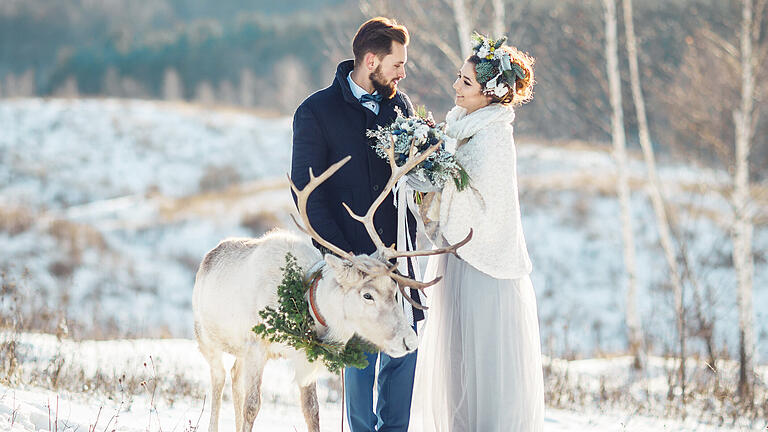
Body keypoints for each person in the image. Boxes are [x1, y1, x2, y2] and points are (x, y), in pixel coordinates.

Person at [290, 17, 423, 432]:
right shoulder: (315, 112)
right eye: (397, 64)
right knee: (361, 360)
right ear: (371, 60)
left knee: (404, 353)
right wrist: (343, 257)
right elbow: (306, 194)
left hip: (399, 255)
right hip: (353, 266)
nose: (403, 73)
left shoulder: (399, 106)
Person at [412, 34, 544, 431]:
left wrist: (437, 175)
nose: (455, 86)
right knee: (458, 359)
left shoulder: (493, 136)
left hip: (484, 264)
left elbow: (486, 203)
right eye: (459, 77)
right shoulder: (463, 125)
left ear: (491, 94)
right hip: (460, 258)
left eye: (466, 82)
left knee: (484, 358)